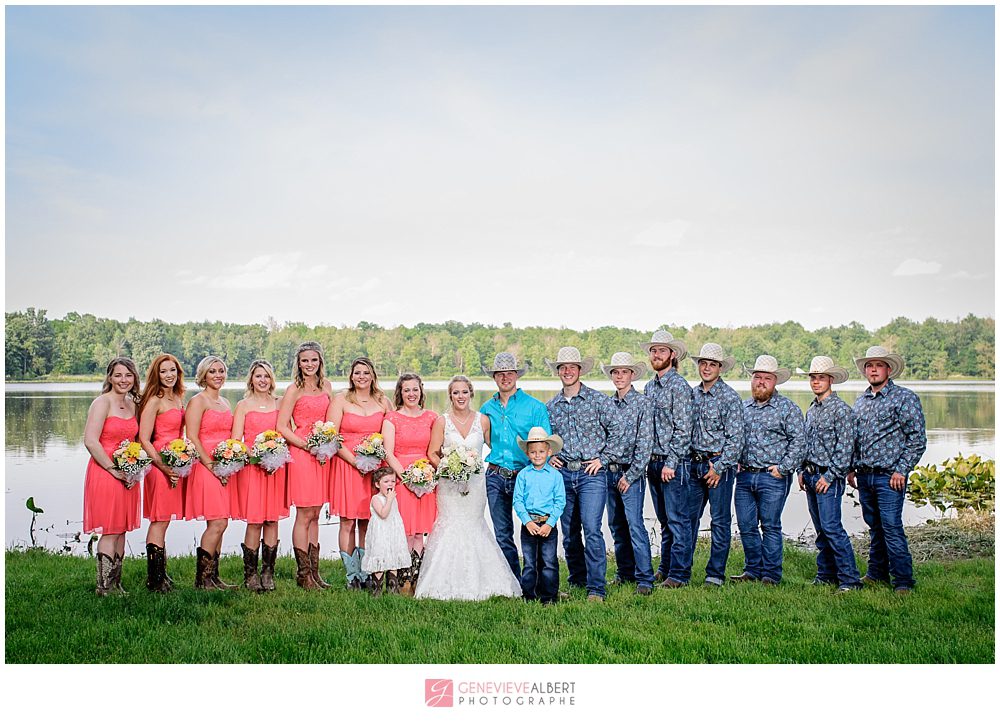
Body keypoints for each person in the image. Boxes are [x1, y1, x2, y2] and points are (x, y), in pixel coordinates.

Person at [415, 375, 521, 601]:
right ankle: (441, 582)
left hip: (475, 484)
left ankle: (486, 581)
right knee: (450, 525)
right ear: (450, 396)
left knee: (474, 524)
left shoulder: (483, 420)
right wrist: (448, 467)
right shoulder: (442, 421)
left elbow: (496, 447)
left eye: (464, 392)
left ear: (471, 394)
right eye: (456, 393)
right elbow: (432, 453)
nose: (460, 396)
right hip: (449, 485)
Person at [848, 346, 927, 594]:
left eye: (878, 365)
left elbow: (917, 439)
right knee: (874, 527)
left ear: (888, 369)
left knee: (891, 527)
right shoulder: (861, 401)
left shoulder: (904, 398)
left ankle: (903, 581)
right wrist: (851, 468)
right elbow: (856, 438)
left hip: (889, 476)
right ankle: (876, 572)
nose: (873, 369)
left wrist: (902, 470)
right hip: (864, 475)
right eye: (869, 366)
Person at [545, 346, 617, 602]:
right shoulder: (551, 406)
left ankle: (596, 587)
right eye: (562, 367)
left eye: (571, 367)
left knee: (592, 528)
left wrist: (604, 459)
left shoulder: (598, 400)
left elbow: (619, 432)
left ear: (579, 371)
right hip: (563, 473)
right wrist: (550, 455)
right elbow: (545, 439)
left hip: (591, 474)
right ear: (558, 372)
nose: (567, 371)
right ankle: (578, 577)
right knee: (569, 530)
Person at [732, 355, 805, 585]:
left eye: (766, 378)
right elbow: (734, 439)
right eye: (757, 377)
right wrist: (734, 459)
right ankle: (752, 570)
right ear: (751, 380)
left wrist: (783, 468)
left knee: (771, 526)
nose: (761, 382)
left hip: (772, 477)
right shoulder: (742, 407)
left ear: (775, 381)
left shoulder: (787, 409)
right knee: (746, 525)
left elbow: (799, 442)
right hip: (744, 476)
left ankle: (771, 575)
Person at [479, 352, 551, 579]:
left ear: (516, 376)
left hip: (526, 475)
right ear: (494, 377)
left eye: (509, 373)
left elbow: (545, 444)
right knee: (502, 533)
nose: (505, 377)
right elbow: (484, 439)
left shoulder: (535, 407)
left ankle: (538, 580)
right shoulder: (487, 408)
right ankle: (512, 580)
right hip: (496, 476)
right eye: (500, 373)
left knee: (535, 528)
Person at [328, 357, 393, 589]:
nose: (362, 377)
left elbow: (391, 432)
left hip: (374, 470)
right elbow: (331, 437)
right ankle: (351, 576)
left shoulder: (383, 401)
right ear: (351, 376)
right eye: (357, 373)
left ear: (373, 375)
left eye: (366, 372)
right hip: (348, 465)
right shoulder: (341, 400)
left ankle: (366, 573)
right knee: (347, 521)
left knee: (367, 521)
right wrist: (355, 461)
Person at [799, 356, 861, 593]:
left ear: (830, 380)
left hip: (828, 478)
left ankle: (849, 579)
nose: (816, 382)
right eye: (813, 378)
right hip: (811, 474)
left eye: (820, 378)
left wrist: (830, 475)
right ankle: (825, 574)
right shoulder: (812, 409)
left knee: (832, 528)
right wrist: (802, 470)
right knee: (821, 530)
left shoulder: (841, 411)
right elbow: (806, 444)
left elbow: (845, 449)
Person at [276, 342, 335, 590]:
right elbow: (282, 426)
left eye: (313, 360)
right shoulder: (293, 390)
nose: (309, 365)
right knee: (303, 513)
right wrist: (305, 446)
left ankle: (314, 572)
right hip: (302, 454)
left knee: (316, 513)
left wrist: (325, 445)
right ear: (298, 364)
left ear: (320, 362)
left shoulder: (327, 387)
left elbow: (331, 421)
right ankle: (303, 574)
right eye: (304, 361)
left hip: (323, 454)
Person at [83, 357, 143, 596]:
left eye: (128, 375)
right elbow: (90, 440)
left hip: (128, 472)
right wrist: (111, 468)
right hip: (105, 470)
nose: (123, 380)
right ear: (109, 377)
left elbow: (136, 440)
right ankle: (104, 586)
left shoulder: (132, 404)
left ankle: (116, 583)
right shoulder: (102, 403)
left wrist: (135, 468)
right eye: (118, 375)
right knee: (110, 528)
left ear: (134, 378)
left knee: (122, 528)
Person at [687, 343, 745, 587]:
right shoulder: (691, 394)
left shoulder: (730, 397)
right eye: (703, 363)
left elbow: (737, 438)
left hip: (718, 465)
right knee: (688, 519)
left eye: (712, 364)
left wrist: (719, 467)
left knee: (719, 521)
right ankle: (681, 570)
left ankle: (715, 574)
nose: (707, 368)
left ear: (720, 368)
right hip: (694, 464)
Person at [642, 329, 694, 588]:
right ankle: (665, 567)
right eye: (653, 350)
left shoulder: (680, 387)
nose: (656, 354)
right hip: (652, 461)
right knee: (664, 520)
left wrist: (671, 462)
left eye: (662, 350)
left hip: (672, 464)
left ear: (672, 355)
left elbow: (684, 429)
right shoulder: (649, 386)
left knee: (677, 520)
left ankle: (680, 574)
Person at [232, 359, 289, 592]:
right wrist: (258, 455)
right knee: (255, 521)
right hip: (254, 468)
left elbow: (287, 431)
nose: (263, 380)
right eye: (258, 376)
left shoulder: (280, 403)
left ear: (271, 379)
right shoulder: (243, 405)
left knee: (272, 519)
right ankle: (251, 575)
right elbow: (237, 439)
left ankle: (268, 573)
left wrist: (275, 455)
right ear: (251, 379)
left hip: (276, 468)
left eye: (266, 376)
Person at [600, 352, 654, 595]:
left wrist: (630, 476)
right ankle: (624, 573)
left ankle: (645, 579)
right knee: (616, 525)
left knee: (635, 525)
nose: (619, 376)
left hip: (630, 474)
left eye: (624, 372)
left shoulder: (643, 404)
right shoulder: (607, 404)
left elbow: (646, 444)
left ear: (632, 375)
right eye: (615, 372)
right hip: (609, 472)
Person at [184, 355, 237, 590]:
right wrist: (211, 465)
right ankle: (202, 580)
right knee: (217, 523)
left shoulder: (225, 402)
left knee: (222, 523)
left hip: (225, 467)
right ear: (203, 375)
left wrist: (230, 461)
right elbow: (192, 437)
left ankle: (214, 576)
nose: (218, 375)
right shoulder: (198, 401)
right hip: (207, 468)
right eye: (212, 371)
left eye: (221, 371)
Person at [382, 372, 438, 594]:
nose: (411, 394)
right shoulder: (392, 418)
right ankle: (400, 579)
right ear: (400, 393)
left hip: (425, 479)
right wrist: (406, 477)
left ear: (421, 391)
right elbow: (388, 452)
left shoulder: (432, 417)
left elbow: (435, 449)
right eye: (407, 390)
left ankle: (417, 577)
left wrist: (425, 476)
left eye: (415, 389)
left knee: (420, 531)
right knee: (404, 530)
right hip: (402, 478)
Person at [137, 353, 186, 593]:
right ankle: (154, 580)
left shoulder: (177, 398)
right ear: (156, 374)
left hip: (175, 464)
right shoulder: (154, 400)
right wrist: (163, 467)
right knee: (159, 520)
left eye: (173, 371)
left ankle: (161, 574)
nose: (169, 375)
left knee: (164, 520)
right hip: (158, 467)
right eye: (164, 371)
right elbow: (145, 439)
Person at [513, 427, 566, 605]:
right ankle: (529, 594)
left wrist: (550, 523)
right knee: (529, 562)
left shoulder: (556, 476)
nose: (537, 455)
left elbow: (560, 502)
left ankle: (549, 596)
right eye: (533, 452)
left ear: (549, 452)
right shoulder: (523, 475)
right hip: (529, 524)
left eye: (541, 451)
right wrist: (527, 522)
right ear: (527, 453)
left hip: (548, 525)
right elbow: (518, 501)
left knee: (549, 562)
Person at [362, 468, 412, 596]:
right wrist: (389, 500)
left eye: (392, 481)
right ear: (377, 484)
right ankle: (376, 590)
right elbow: (383, 514)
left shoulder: (393, 498)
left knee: (393, 558)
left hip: (393, 532)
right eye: (386, 481)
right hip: (381, 534)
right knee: (380, 558)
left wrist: (391, 499)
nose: (390, 484)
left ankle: (392, 589)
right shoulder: (376, 499)